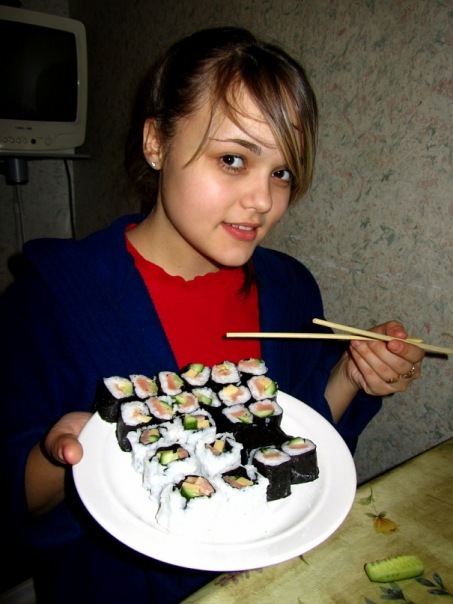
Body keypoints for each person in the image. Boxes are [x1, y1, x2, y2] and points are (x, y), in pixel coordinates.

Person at [0, 26, 424, 604]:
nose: (263, 200)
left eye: (282, 172)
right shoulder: (52, 301)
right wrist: (58, 459)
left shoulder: (290, 289)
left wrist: (353, 373)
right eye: (232, 159)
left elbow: (293, 437)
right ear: (156, 143)